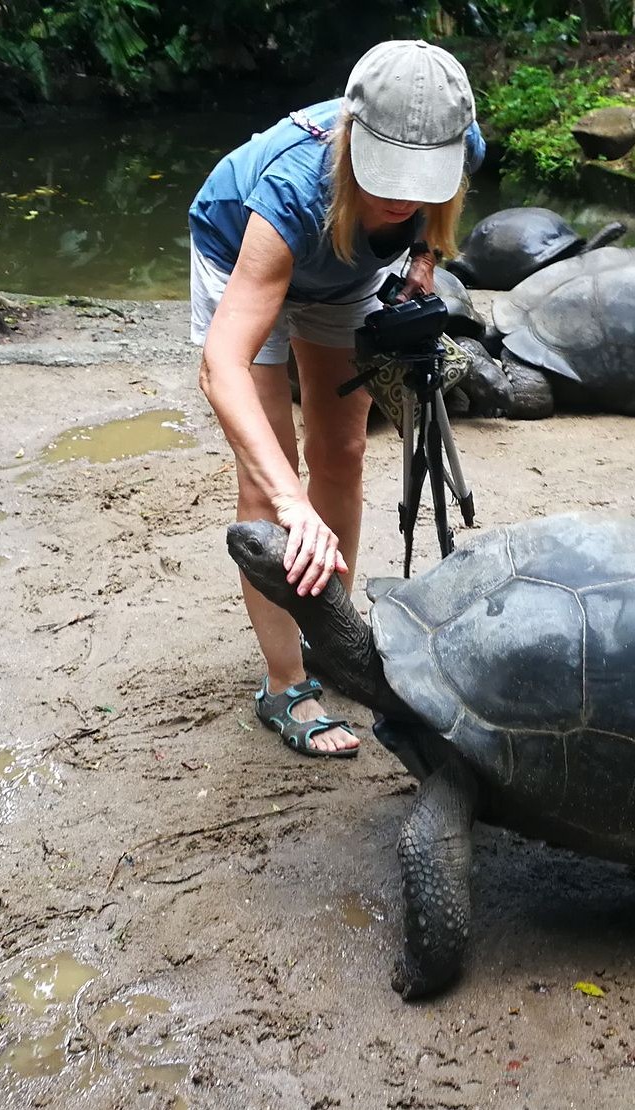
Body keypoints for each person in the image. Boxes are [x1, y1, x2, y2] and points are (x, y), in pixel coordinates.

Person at [190, 40, 485, 758]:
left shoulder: (460, 141)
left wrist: (421, 257)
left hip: (346, 269)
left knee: (343, 450)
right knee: (271, 478)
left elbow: (431, 217)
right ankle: (284, 683)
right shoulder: (292, 189)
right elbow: (220, 364)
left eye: (422, 178)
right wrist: (292, 503)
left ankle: (332, 641)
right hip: (245, 254)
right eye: (390, 173)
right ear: (353, 136)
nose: (403, 194)